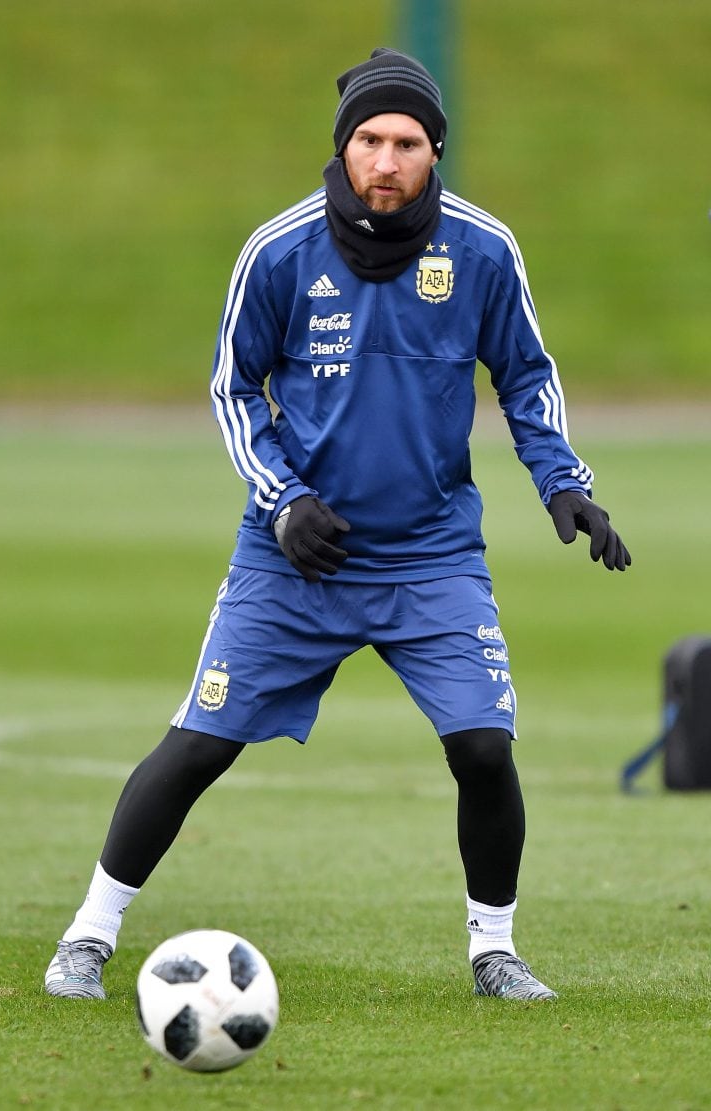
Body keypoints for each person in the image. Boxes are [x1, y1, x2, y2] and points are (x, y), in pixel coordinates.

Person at [45, 47, 630, 1004]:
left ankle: (494, 951)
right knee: (199, 742)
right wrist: (284, 503)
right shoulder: (278, 251)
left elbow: (525, 374)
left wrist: (563, 483)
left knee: (484, 747)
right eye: (370, 140)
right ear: (344, 147)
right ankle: (86, 936)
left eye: (407, 142)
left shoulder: (484, 250)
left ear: (435, 152)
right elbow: (234, 390)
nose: (387, 160)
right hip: (297, 556)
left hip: (432, 552)